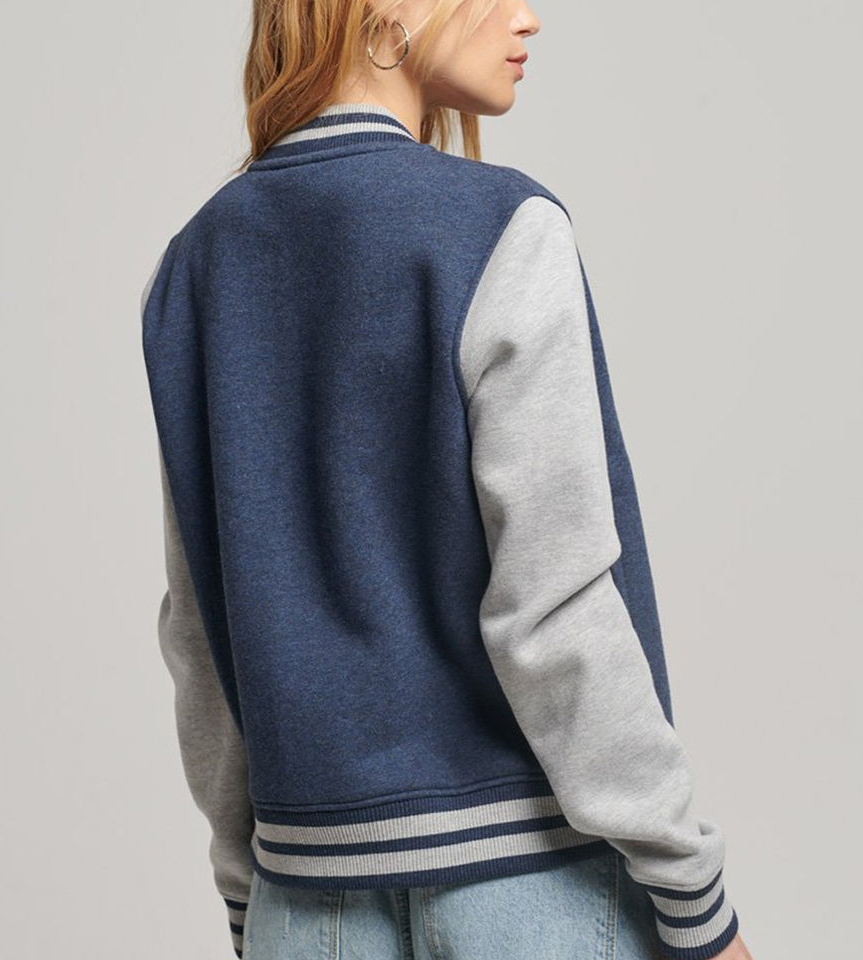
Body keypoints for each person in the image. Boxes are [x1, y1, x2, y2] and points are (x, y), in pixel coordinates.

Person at [140, 2, 755, 959]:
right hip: (531, 885)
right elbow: (554, 608)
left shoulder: (191, 268)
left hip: (303, 898)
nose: (528, 18)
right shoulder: (501, 228)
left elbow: (200, 632)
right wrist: (691, 893)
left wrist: (249, 890)